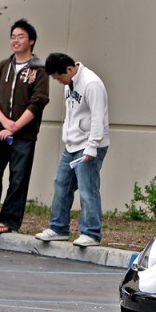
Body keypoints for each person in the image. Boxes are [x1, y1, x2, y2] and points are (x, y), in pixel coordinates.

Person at [35, 53, 110, 247]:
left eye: (59, 78)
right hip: (72, 144)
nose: (59, 82)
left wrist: (92, 147)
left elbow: (97, 117)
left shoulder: (91, 84)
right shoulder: (70, 84)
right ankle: (59, 228)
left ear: (69, 69)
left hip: (89, 145)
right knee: (61, 183)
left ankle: (91, 233)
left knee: (88, 188)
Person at [0, 19, 50, 234]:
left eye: (20, 36)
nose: (15, 40)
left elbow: (39, 101)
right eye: (13, 36)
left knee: (18, 179)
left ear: (31, 41)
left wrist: (14, 128)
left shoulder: (39, 70)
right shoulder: (1, 66)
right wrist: (4, 123)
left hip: (24, 136)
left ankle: (9, 221)